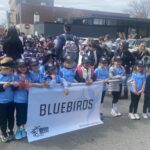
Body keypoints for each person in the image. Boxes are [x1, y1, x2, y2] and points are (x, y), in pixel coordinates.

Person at [13, 59, 31, 140]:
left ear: (27, 67)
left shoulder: (29, 75)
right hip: (18, 100)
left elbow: (29, 87)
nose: (23, 68)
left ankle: (23, 129)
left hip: (27, 100)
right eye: (21, 66)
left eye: (24, 66)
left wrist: (28, 84)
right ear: (17, 67)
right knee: (19, 116)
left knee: (24, 116)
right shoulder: (15, 75)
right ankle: (17, 130)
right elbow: (14, 88)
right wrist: (21, 83)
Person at [0, 57, 16, 142]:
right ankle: (3, 132)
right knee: (3, 118)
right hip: (2, 102)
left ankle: (11, 130)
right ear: (5, 68)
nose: (12, 71)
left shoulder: (12, 76)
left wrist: (15, 86)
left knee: (11, 117)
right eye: (11, 69)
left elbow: (13, 88)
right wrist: (3, 87)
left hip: (11, 101)